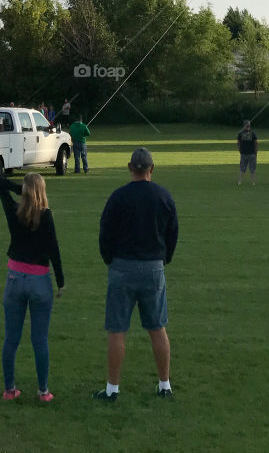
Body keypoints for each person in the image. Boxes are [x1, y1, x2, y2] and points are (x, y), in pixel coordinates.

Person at [94, 147, 178, 402]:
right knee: (157, 328)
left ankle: (112, 389)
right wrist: (163, 259)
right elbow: (172, 234)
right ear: (152, 168)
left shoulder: (118, 197)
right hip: (153, 266)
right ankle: (164, 384)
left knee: (117, 329)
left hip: (122, 266)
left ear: (130, 167)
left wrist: (110, 259)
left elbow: (105, 233)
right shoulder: (163, 196)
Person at [0, 172, 64, 402]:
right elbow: (54, 249)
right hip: (39, 280)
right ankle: (43, 390)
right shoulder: (46, 216)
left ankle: (9, 389)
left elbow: (1, 184)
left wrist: (21, 191)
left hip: (15, 277)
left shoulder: (14, 212)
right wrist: (61, 281)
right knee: (40, 339)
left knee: (11, 338)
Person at [237, 120, 258, 185]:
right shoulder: (253, 133)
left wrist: (240, 150)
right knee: (252, 169)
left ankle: (240, 182)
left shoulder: (240, 134)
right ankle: (253, 182)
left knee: (242, 169)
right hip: (251, 153)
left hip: (244, 153)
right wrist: (256, 152)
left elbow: (238, 143)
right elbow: (256, 143)